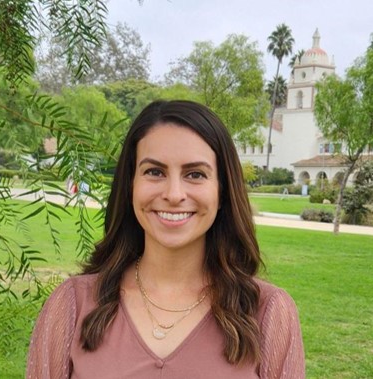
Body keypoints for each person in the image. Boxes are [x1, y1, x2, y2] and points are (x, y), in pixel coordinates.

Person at [26, 100, 305, 378]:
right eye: (155, 172)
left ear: (222, 191)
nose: (174, 194)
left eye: (195, 174)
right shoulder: (74, 304)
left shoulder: (268, 313)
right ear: (130, 185)